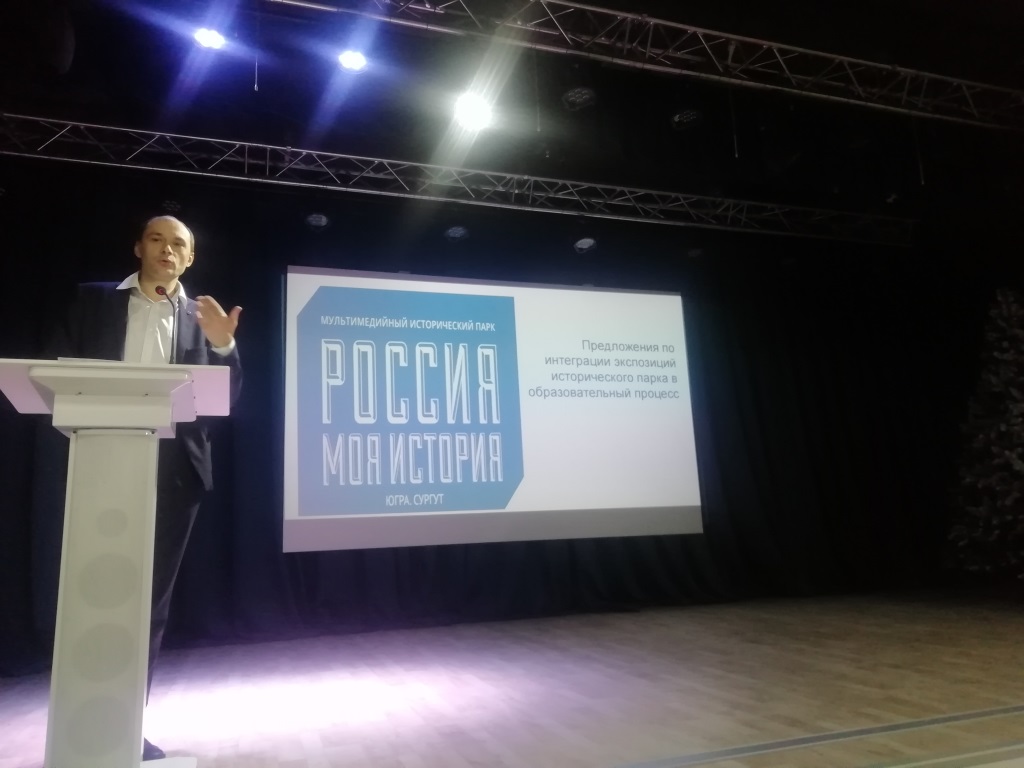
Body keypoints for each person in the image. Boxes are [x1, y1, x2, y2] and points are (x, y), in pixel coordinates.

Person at [44, 215, 242, 761]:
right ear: (138, 247)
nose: (167, 250)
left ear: (190, 259)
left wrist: (224, 346)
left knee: (147, 603)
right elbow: (54, 370)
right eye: (157, 239)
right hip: (99, 460)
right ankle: (83, 725)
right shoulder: (93, 301)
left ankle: (127, 726)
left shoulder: (202, 318)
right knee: (92, 589)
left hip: (174, 474)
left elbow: (227, 399)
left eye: (179, 244)